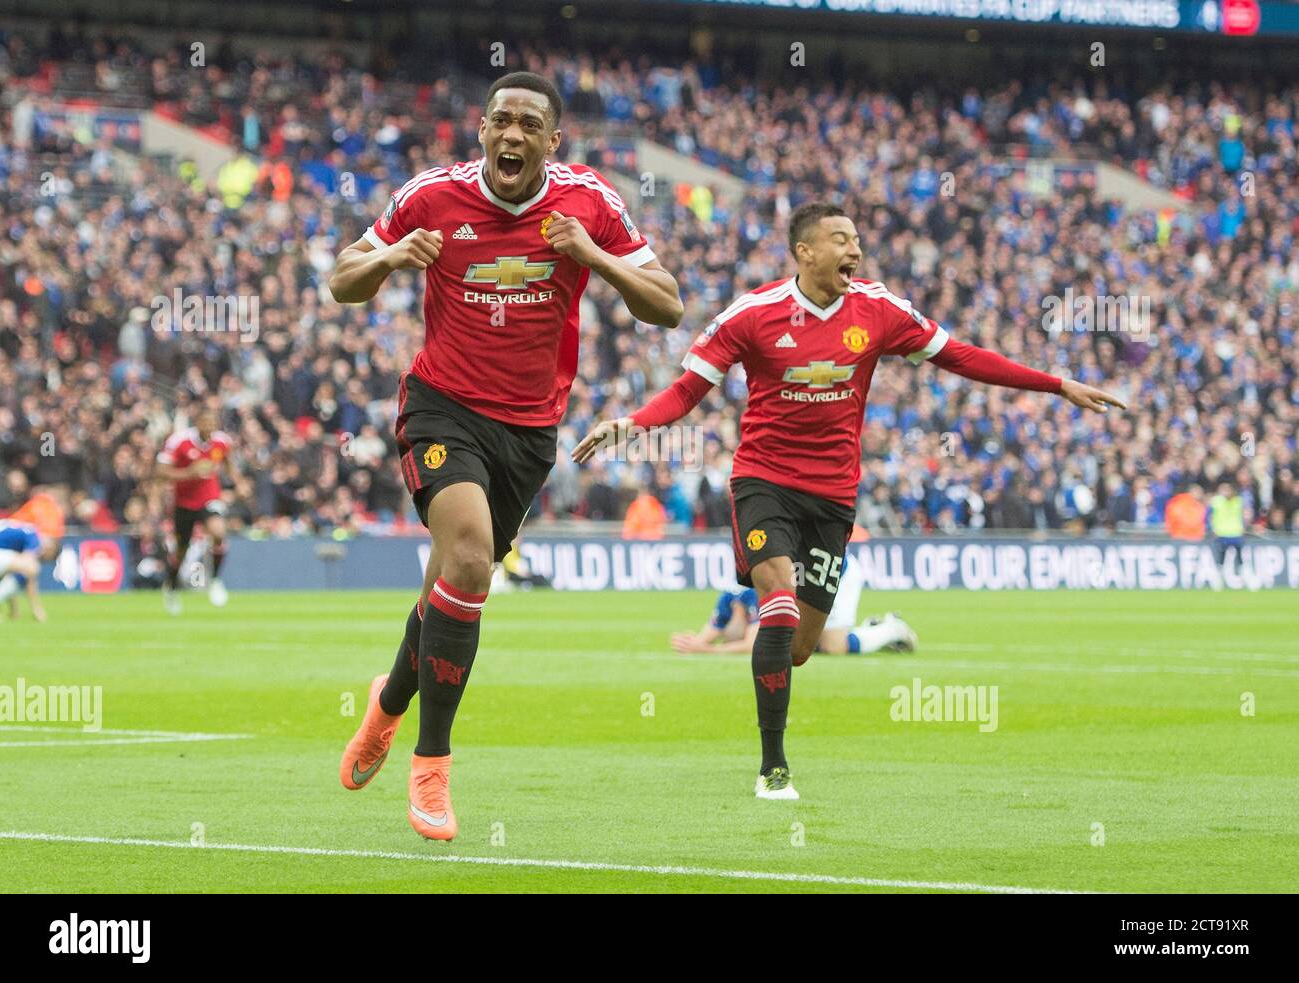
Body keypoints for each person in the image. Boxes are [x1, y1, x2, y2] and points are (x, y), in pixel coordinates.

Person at [575, 201, 1123, 800]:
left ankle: (842, 652)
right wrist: (631, 423)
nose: (855, 250)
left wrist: (1056, 384)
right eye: (841, 239)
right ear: (804, 252)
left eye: (857, 239)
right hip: (764, 482)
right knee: (776, 609)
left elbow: (960, 356)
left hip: (833, 497)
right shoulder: (752, 315)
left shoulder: (880, 310)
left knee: (802, 648)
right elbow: (687, 390)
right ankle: (773, 768)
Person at [330, 72, 682, 841]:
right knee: (467, 561)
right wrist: (391, 259)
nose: (512, 136)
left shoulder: (590, 202)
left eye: (529, 125)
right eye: (501, 121)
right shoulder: (432, 196)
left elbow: (668, 303)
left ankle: (387, 705)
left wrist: (595, 255)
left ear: (553, 142)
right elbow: (341, 280)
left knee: (448, 587)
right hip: (442, 406)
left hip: (528, 430)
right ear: (482, 129)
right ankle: (432, 764)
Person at [671, 554, 916, 655]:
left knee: (832, 646)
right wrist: (696, 642)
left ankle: (892, 628)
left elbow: (751, 644)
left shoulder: (755, 592)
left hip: (836, 571)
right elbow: (710, 634)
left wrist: (709, 650)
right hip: (804, 576)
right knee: (799, 643)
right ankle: (872, 628)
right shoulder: (731, 595)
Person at [154, 407, 235, 613]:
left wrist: (238, 482)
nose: (209, 427)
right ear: (196, 423)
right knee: (182, 550)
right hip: (184, 503)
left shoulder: (222, 442)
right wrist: (189, 473)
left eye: (212, 422)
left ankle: (215, 579)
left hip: (210, 497)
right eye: (205, 422)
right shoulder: (179, 441)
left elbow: (227, 462)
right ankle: (171, 587)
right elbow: (160, 472)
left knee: (218, 532)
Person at [0, 518, 57, 623]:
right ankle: (36, 610)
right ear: (50, 547)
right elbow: (29, 570)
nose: (43, 555)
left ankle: (13, 610)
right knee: (32, 568)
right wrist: (36, 608)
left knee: (17, 571)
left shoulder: (25, 532)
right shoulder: (34, 539)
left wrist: (13, 608)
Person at [1207, 482, 1250, 589]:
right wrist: (1213, 529)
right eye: (1223, 490)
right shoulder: (1216, 501)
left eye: (1227, 489)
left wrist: (1244, 526)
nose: (1225, 492)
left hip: (1236, 533)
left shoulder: (1238, 501)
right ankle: (1219, 581)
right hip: (1222, 534)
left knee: (1240, 558)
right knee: (1221, 559)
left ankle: (1244, 580)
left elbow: (1245, 515)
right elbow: (1208, 516)